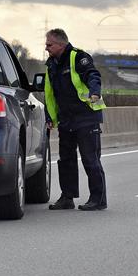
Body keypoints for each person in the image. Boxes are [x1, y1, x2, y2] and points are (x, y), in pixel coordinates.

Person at [43, 28, 107, 211]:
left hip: (86, 116)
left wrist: (95, 92)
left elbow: (93, 75)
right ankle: (67, 198)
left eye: (49, 44)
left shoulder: (78, 57)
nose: (46, 48)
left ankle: (98, 199)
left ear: (61, 44)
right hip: (66, 119)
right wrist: (50, 117)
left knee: (90, 159)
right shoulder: (51, 65)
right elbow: (50, 94)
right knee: (66, 160)